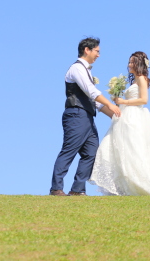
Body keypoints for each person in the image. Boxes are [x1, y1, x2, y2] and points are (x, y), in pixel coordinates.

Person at [89, 51, 150, 197]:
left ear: (140, 64)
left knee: (133, 148)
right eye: (129, 62)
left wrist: (123, 102)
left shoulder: (142, 78)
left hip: (134, 116)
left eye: (133, 62)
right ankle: (122, 185)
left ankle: (138, 182)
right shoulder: (134, 81)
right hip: (125, 116)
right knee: (116, 147)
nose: (129, 65)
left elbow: (144, 100)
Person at [50, 37, 122, 196]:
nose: (98, 55)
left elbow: (94, 101)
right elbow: (91, 92)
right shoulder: (77, 69)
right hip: (76, 114)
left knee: (91, 152)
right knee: (69, 150)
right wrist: (111, 104)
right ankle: (56, 188)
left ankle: (77, 190)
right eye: (97, 51)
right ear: (87, 50)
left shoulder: (87, 71)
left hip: (88, 116)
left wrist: (114, 115)